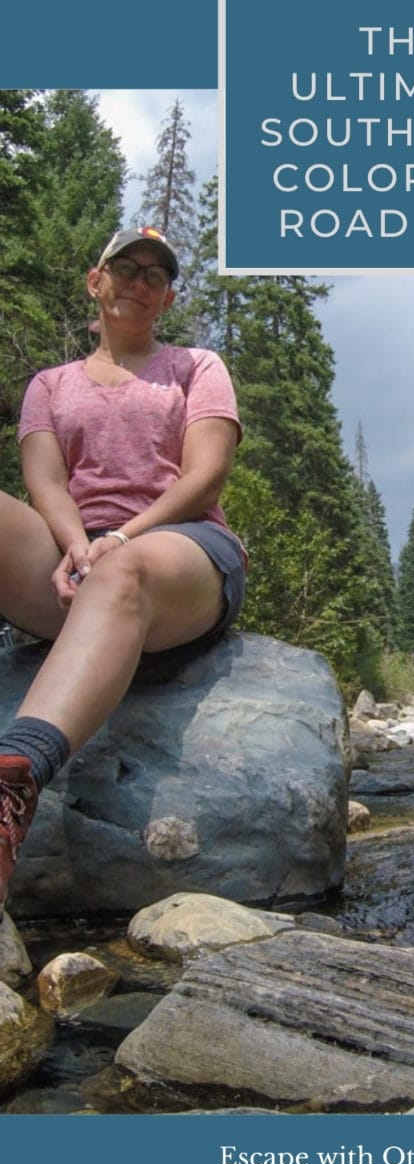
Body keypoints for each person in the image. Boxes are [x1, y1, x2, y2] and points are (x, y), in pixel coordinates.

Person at [0, 226, 246, 918]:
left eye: (154, 276)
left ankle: (14, 777)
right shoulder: (49, 385)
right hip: (73, 557)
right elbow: (44, 479)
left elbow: (205, 476)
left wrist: (120, 540)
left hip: (182, 552)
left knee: (124, 568)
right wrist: (79, 545)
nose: (138, 282)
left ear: (166, 298)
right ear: (95, 280)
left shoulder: (198, 368)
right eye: (125, 268)